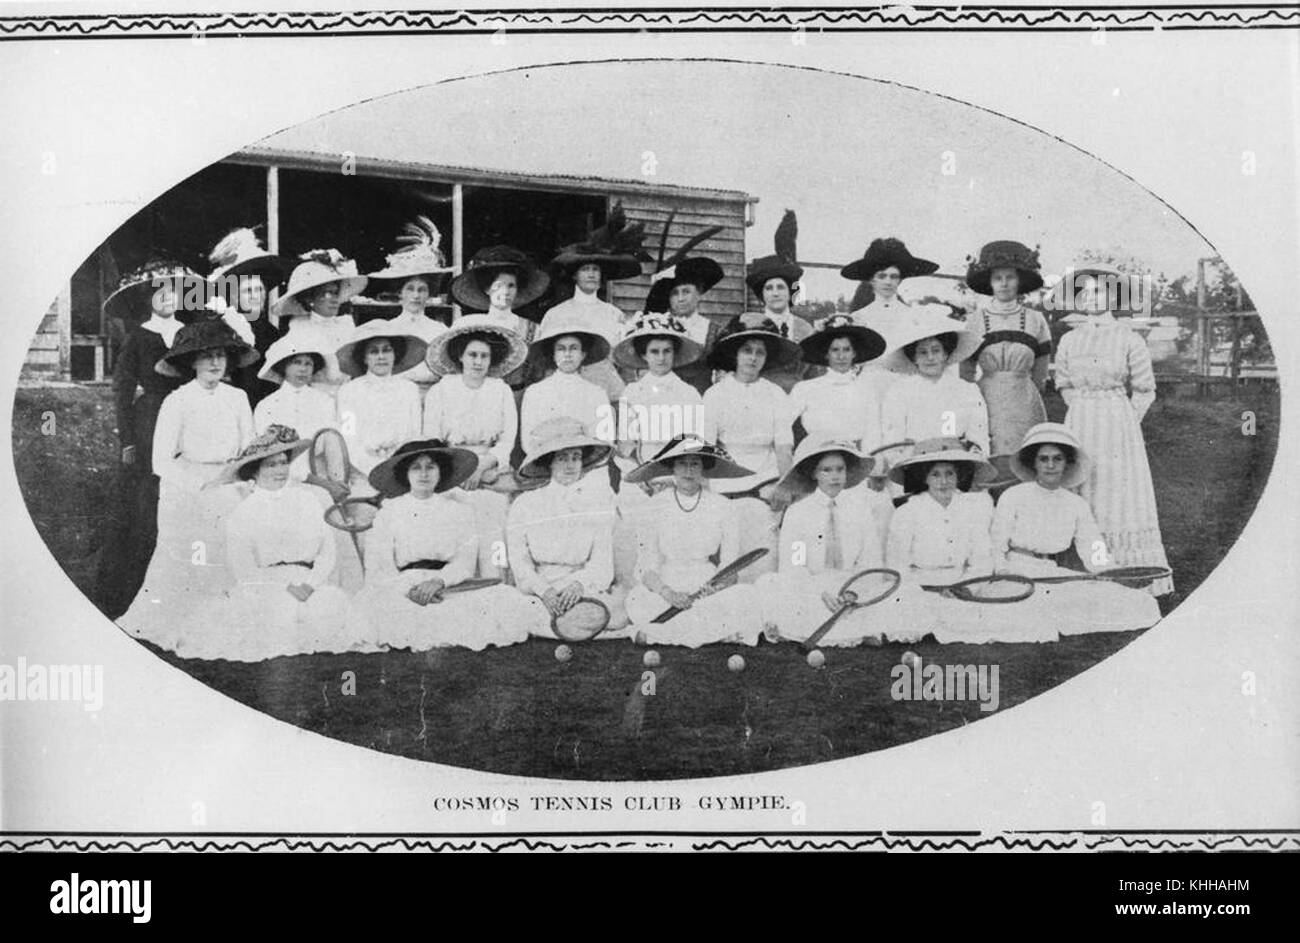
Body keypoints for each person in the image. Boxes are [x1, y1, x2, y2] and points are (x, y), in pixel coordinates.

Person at [118, 321, 258, 648]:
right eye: (207, 356)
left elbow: (249, 446)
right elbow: (161, 462)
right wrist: (199, 486)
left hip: (229, 482)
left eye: (221, 356)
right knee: (191, 551)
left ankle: (229, 620)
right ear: (191, 361)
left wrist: (241, 478)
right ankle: (184, 619)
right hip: (188, 487)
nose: (214, 363)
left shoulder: (238, 398)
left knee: (236, 545)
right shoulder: (177, 401)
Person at [177, 425, 357, 662]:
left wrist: (311, 584)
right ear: (255, 472)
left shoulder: (308, 500)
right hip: (266, 586)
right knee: (271, 615)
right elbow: (244, 570)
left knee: (331, 604)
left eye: (284, 462)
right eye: (271, 465)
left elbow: (327, 551)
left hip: (308, 583)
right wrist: (284, 588)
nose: (280, 470)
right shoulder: (243, 512)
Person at [345, 439, 544, 651]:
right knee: (374, 609)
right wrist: (409, 589)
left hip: (448, 586)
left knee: (505, 600)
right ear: (406, 473)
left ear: (441, 471)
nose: (424, 474)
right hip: (403, 587)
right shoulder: (389, 512)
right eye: (416, 467)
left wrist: (439, 582)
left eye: (431, 466)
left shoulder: (459, 511)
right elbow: (379, 565)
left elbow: (464, 562)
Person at [1053, 263, 1173, 596]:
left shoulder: (1128, 337)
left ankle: (1131, 571)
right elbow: (1063, 382)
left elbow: (1145, 388)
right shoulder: (1069, 340)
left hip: (1118, 421)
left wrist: (1124, 423)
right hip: (1081, 420)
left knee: (1119, 492)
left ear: (1112, 296)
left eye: (1099, 292)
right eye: (1085, 293)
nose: (1092, 299)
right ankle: (1087, 568)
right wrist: (1082, 408)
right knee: (1083, 483)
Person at [991, 423, 1162, 634]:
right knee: (1040, 608)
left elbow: (1094, 550)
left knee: (1138, 602)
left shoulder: (1075, 504)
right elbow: (995, 544)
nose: (1050, 465)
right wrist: (1003, 572)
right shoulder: (1014, 496)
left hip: (1054, 574)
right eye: (1043, 459)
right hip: (1017, 572)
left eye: (1057, 459)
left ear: (1067, 463)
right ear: (1033, 463)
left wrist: (1115, 575)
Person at [884, 438, 1058, 644]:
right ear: (925, 478)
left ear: (959, 476)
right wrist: (920, 589)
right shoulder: (907, 512)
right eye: (935, 474)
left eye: (950, 473)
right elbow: (897, 564)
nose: (943, 481)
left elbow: (982, 558)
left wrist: (966, 588)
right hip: (921, 589)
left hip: (965, 586)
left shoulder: (972, 510)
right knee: (912, 613)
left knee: (1016, 614)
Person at [94, 260, 192, 617]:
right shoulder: (139, 336)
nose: (168, 299)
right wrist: (128, 442)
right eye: (161, 293)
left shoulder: (188, 332)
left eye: (174, 292)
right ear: (151, 299)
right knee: (146, 499)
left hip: (188, 415)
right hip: (149, 420)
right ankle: (132, 588)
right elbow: (121, 389)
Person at [622, 437, 767, 647]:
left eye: (695, 464)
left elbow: (730, 568)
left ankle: (657, 634)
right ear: (672, 467)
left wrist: (716, 587)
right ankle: (713, 633)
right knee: (637, 598)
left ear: (703, 469)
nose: (688, 471)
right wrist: (668, 594)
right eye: (682, 463)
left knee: (747, 596)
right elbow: (647, 566)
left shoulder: (723, 506)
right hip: (667, 584)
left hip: (707, 585)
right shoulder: (654, 506)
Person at [756, 439, 900, 647]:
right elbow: (793, 566)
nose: (835, 476)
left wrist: (854, 593)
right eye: (826, 470)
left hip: (852, 586)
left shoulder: (860, 510)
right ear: (814, 474)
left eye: (840, 469)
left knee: (901, 595)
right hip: (812, 588)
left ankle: (858, 624)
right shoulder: (798, 512)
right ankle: (851, 629)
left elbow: (871, 561)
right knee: (769, 584)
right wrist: (819, 592)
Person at [422, 314, 528, 577]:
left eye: (484, 356)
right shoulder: (441, 390)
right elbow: (432, 439)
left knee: (494, 529)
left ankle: (496, 584)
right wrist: (461, 470)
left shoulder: (500, 390)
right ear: (460, 356)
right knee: (457, 534)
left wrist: (483, 467)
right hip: (452, 475)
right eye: (472, 355)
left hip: (490, 471)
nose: (478, 362)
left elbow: (507, 439)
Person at [507, 418, 628, 635]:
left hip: (584, 591)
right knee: (518, 612)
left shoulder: (597, 502)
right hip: (540, 593)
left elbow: (602, 562)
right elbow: (520, 562)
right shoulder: (525, 504)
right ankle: (564, 624)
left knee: (617, 611)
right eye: (562, 458)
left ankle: (573, 622)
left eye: (576, 457)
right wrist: (545, 591)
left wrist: (579, 585)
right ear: (548, 462)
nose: (570, 465)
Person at [701, 318, 799, 577]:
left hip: (766, 484)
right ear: (734, 354)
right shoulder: (715, 395)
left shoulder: (776, 394)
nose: (753, 358)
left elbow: (783, 447)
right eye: (747, 350)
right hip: (724, 486)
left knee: (765, 560)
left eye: (760, 352)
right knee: (727, 562)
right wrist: (707, 494)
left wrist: (785, 486)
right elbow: (706, 450)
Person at [962, 240, 1053, 478]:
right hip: (987, 399)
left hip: (1024, 399)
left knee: (1026, 460)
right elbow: (966, 369)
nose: (1004, 284)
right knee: (990, 457)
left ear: (1019, 280)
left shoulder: (1036, 320)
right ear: (990, 283)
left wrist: (1032, 386)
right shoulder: (975, 320)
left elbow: (1041, 368)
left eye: (1010, 277)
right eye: (997, 278)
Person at [544, 200, 646, 399]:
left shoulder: (614, 314)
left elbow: (624, 361)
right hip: (569, 392)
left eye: (596, 270)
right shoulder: (557, 314)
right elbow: (547, 361)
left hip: (607, 389)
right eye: (585, 269)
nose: (591, 274)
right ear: (574, 275)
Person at [880, 305, 989, 487]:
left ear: (946, 353)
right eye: (922, 352)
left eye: (936, 350)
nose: (930, 357)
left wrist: (970, 456)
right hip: (915, 469)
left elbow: (978, 435)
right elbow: (893, 440)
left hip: (956, 469)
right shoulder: (899, 392)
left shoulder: (967, 390)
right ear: (913, 357)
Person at [840, 237, 939, 404]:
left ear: (900, 280)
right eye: (882, 276)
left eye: (894, 276)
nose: (888, 281)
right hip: (869, 386)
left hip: (905, 384)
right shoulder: (858, 318)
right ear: (871, 279)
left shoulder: (913, 317)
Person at [360, 216, 454, 390]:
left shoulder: (440, 331)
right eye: (410, 289)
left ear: (429, 294)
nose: (416, 296)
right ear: (399, 293)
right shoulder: (387, 329)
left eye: (422, 290)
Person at [206, 227, 293, 409]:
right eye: (248, 291)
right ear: (236, 297)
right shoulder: (226, 327)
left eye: (259, 290)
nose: (256, 296)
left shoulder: (273, 332)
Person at [643, 220, 727, 395]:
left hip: (700, 403)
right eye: (675, 293)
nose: (680, 299)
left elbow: (723, 376)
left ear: (699, 293)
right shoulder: (657, 327)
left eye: (686, 292)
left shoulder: (714, 332)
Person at [333, 320, 427, 476]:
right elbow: (348, 436)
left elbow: (414, 434)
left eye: (387, 350)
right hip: (361, 470)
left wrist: (399, 466)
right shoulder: (349, 391)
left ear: (395, 354)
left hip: (401, 469)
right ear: (364, 358)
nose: (381, 356)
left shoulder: (409, 389)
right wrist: (370, 469)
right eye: (374, 351)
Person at [450, 245, 550, 390]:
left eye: (511, 286)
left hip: (518, 397)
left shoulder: (533, 329)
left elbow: (539, 373)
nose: (505, 291)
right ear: (486, 289)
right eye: (498, 285)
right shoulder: (468, 325)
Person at [274, 248, 368, 395]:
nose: (334, 298)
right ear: (309, 298)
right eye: (327, 293)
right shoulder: (299, 330)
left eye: (336, 292)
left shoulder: (345, 325)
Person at [789, 314, 887, 451]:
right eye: (835, 350)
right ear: (826, 354)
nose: (841, 356)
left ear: (854, 353)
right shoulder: (805, 388)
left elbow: (874, 433)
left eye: (846, 350)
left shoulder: (867, 390)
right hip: (815, 455)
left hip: (855, 457)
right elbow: (782, 425)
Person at [741, 210, 812, 392]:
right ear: (761, 294)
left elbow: (815, 375)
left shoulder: (805, 329)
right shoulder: (748, 324)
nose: (775, 294)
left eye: (780, 287)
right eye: (769, 288)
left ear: (790, 292)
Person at [252, 334, 337, 481]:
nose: (303, 369)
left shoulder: (325, 401)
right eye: (297, 362)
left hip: (320, 472)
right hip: (281, 475)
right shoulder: (267, 405)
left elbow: (333, 443)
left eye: (308, 364)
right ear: (284, 366)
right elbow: (266, 449)